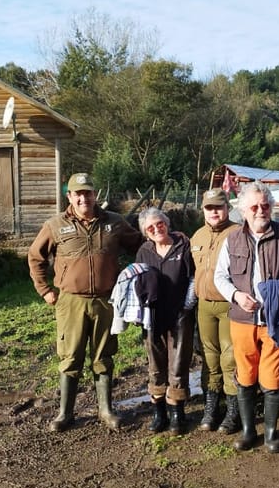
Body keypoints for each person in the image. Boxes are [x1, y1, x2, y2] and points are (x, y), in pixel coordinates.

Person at [27, 172, 142, 432]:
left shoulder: (114, 222)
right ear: (69, 196)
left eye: (87, 193)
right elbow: (35, 257)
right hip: (71, 302)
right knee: (70, 357)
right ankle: (65, 413)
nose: (83, 198)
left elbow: (140, 246)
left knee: (104, 355)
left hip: (106, 301)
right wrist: (45, 290)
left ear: (94, 195)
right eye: (78, 193)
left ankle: (106, 410)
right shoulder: (55, 225)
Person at [213, 181, 279, 453]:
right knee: (244, 374)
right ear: (243, 210)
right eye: (254, 206)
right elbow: (220, 276)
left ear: (271, 207)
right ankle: (247, 431)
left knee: (272, 375)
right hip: (242, 319)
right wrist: (236, 295)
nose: (260, 210)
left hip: (275, 319)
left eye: (265, 205)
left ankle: (270, 434)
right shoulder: (232, 238)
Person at [135, 207, 196, 434]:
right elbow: (138, 280)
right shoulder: (144, 251)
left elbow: (193, 276)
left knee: (178, 362)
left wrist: (188, 304)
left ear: (166, 223)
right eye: (150, 227)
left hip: (180, 314)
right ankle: (159, 411)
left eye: (159, 223)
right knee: (155, 362)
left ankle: (177, 412)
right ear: (145, 232)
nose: (156, 229)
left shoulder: (183, 244)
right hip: (153, 317)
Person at [189, 188, 240, 433]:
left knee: (230, 357)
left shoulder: (238, 233)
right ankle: (211, 405)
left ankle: (233, 409)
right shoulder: (197, 236)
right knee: (209, 357)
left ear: (227, 208)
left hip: (230, 304)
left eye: (218, 207)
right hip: (204, 305)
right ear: (204, 211)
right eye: (209, 208)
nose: (214, 212)